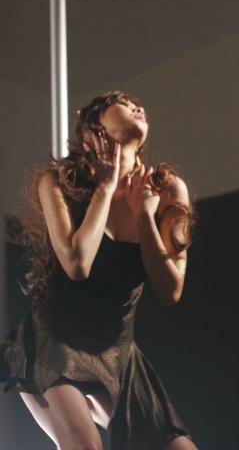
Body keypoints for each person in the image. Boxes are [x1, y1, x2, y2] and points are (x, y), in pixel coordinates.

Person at [0, 90, 199, 449]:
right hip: (56, 341)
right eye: (121, 103)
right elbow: (77, 264)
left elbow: (171, 291)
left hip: (119, 354)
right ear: (96, 130)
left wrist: (144, 216)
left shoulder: (167, 190)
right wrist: (105, 189)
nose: (138, 106)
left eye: (138, 103)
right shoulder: (57, 183)